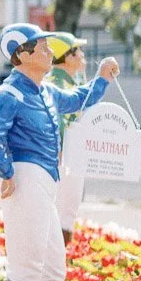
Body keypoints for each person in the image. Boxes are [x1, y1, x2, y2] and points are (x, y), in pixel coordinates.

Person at [0, 22, 119, 281]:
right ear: (23, 55)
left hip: (46, 180)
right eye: (43, 47)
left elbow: (79, 98)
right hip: (27, 178)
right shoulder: (8, 95)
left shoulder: (46, 92)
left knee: (53, 260)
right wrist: (7, 172)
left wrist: (102, 78)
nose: (51, 52)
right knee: (27, 261)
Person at [45, 32, 91, 246]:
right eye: (77, 51)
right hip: (64, 157)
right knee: (64, 208)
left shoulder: (68, 80)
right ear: (67, 57)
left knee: (63, 208)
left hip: (68, 155)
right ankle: (55, 264)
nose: (82, 55)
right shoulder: (60, 85)